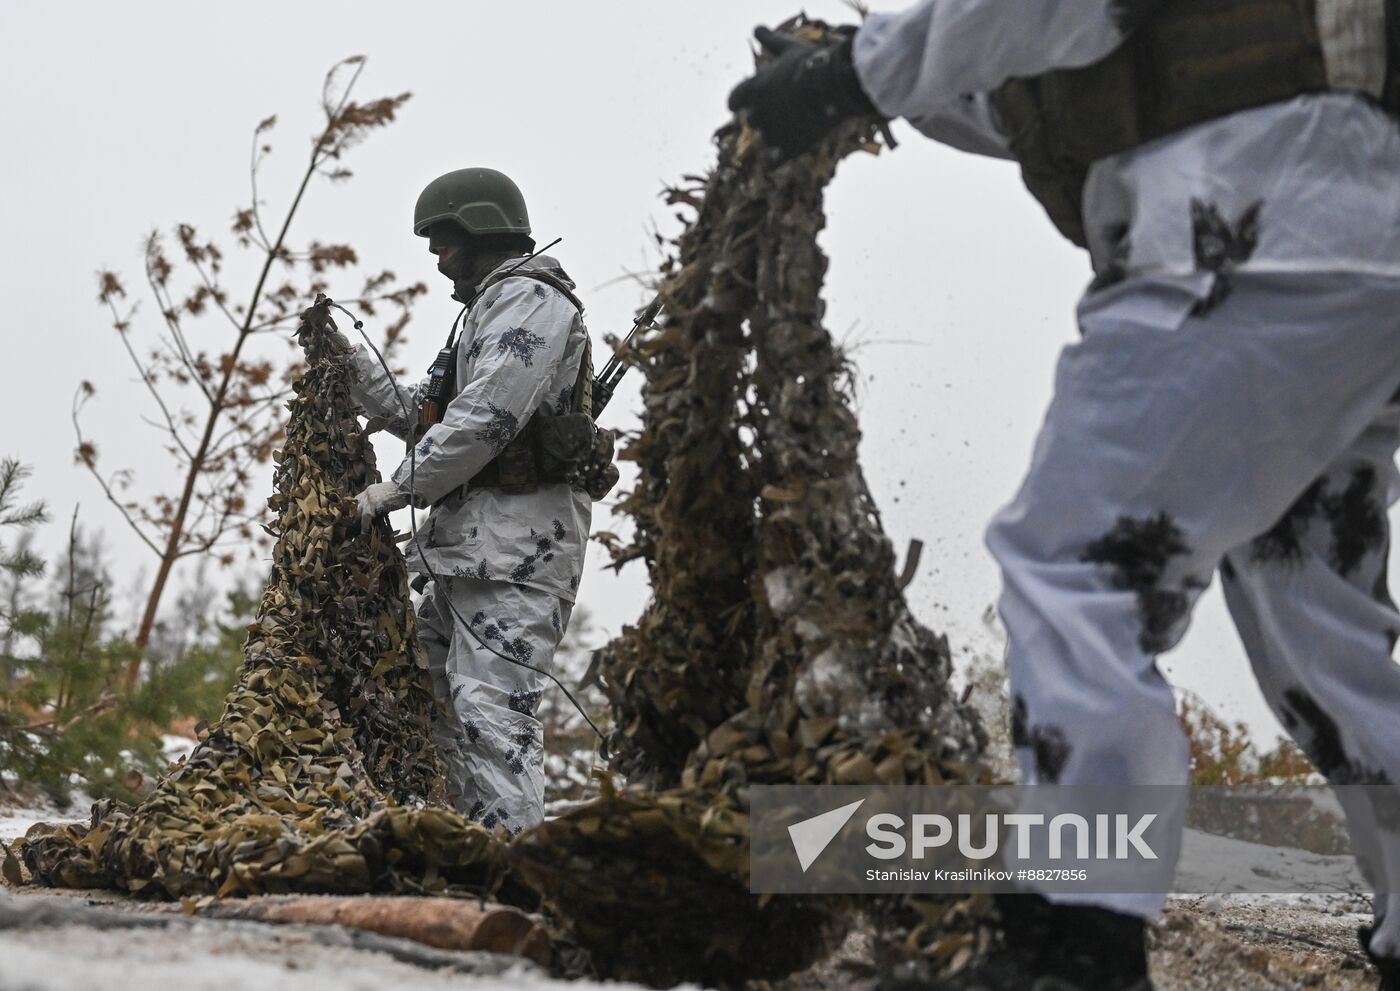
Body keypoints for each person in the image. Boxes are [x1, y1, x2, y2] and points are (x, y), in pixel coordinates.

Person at [730, 4, 1400, 989]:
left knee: (1075, 560)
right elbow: (1042, 89)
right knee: (1306, 601)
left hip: (1248, 222)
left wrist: (853, 73)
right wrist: (872, 78)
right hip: (1355, 230)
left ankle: (1075, 940)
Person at [344, 167, 595, 835]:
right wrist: (352, 369)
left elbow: (488, 415)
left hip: (515, 557)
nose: (436, 258)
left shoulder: (531, 300)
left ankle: (513, 866)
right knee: (427, 708)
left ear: (482, 229)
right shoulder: (489, 310)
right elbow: (437, 421)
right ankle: (465, 857)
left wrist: (399, 488)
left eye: (444, 242)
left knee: (492, 717)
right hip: (467, 555)